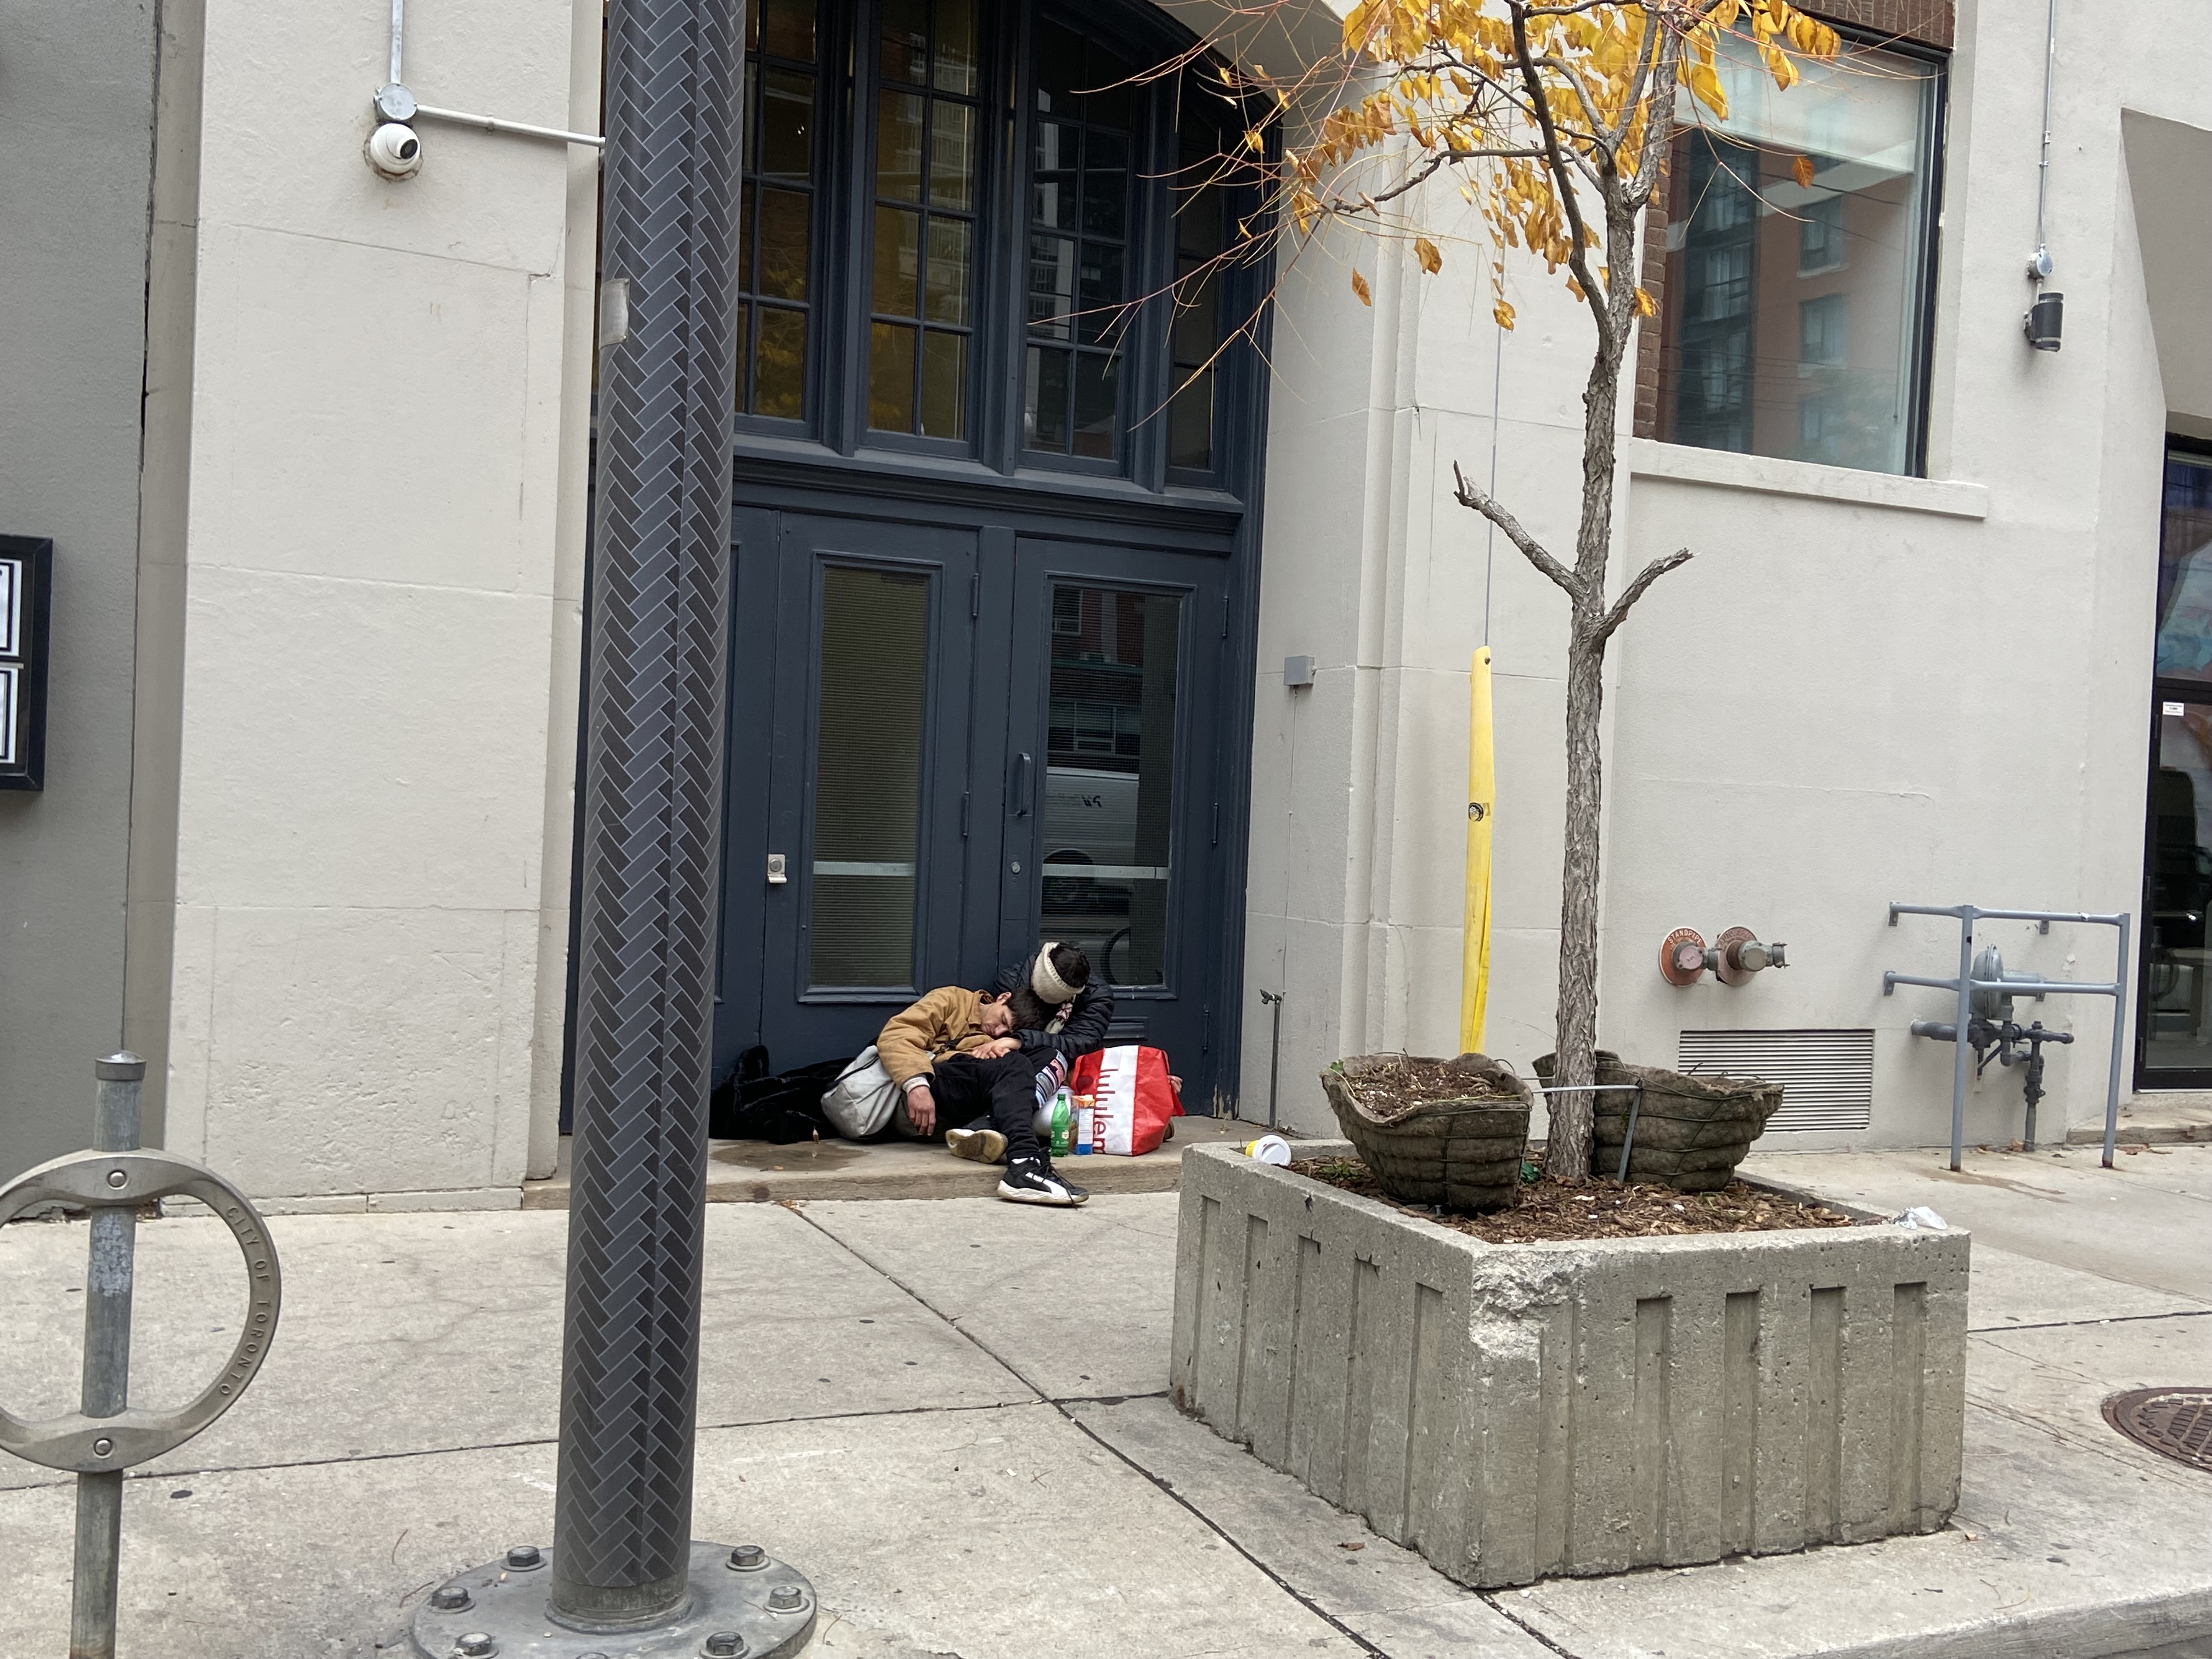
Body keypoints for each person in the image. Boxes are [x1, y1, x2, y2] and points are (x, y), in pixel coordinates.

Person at [874, 983, 1089, 1207]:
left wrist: (1014, 1043)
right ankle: (1024, 1161)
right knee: (1016, 1064)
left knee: (1051, 1056)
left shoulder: (1000, 1040)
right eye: (1003, 1021)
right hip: (937, 1081)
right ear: (1002, 998)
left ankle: (985, 1126)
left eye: (1006, 1033)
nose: (997, 1032)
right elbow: (897, 1035)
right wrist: (917, 1085)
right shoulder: (952, 999)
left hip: (973, 1095)